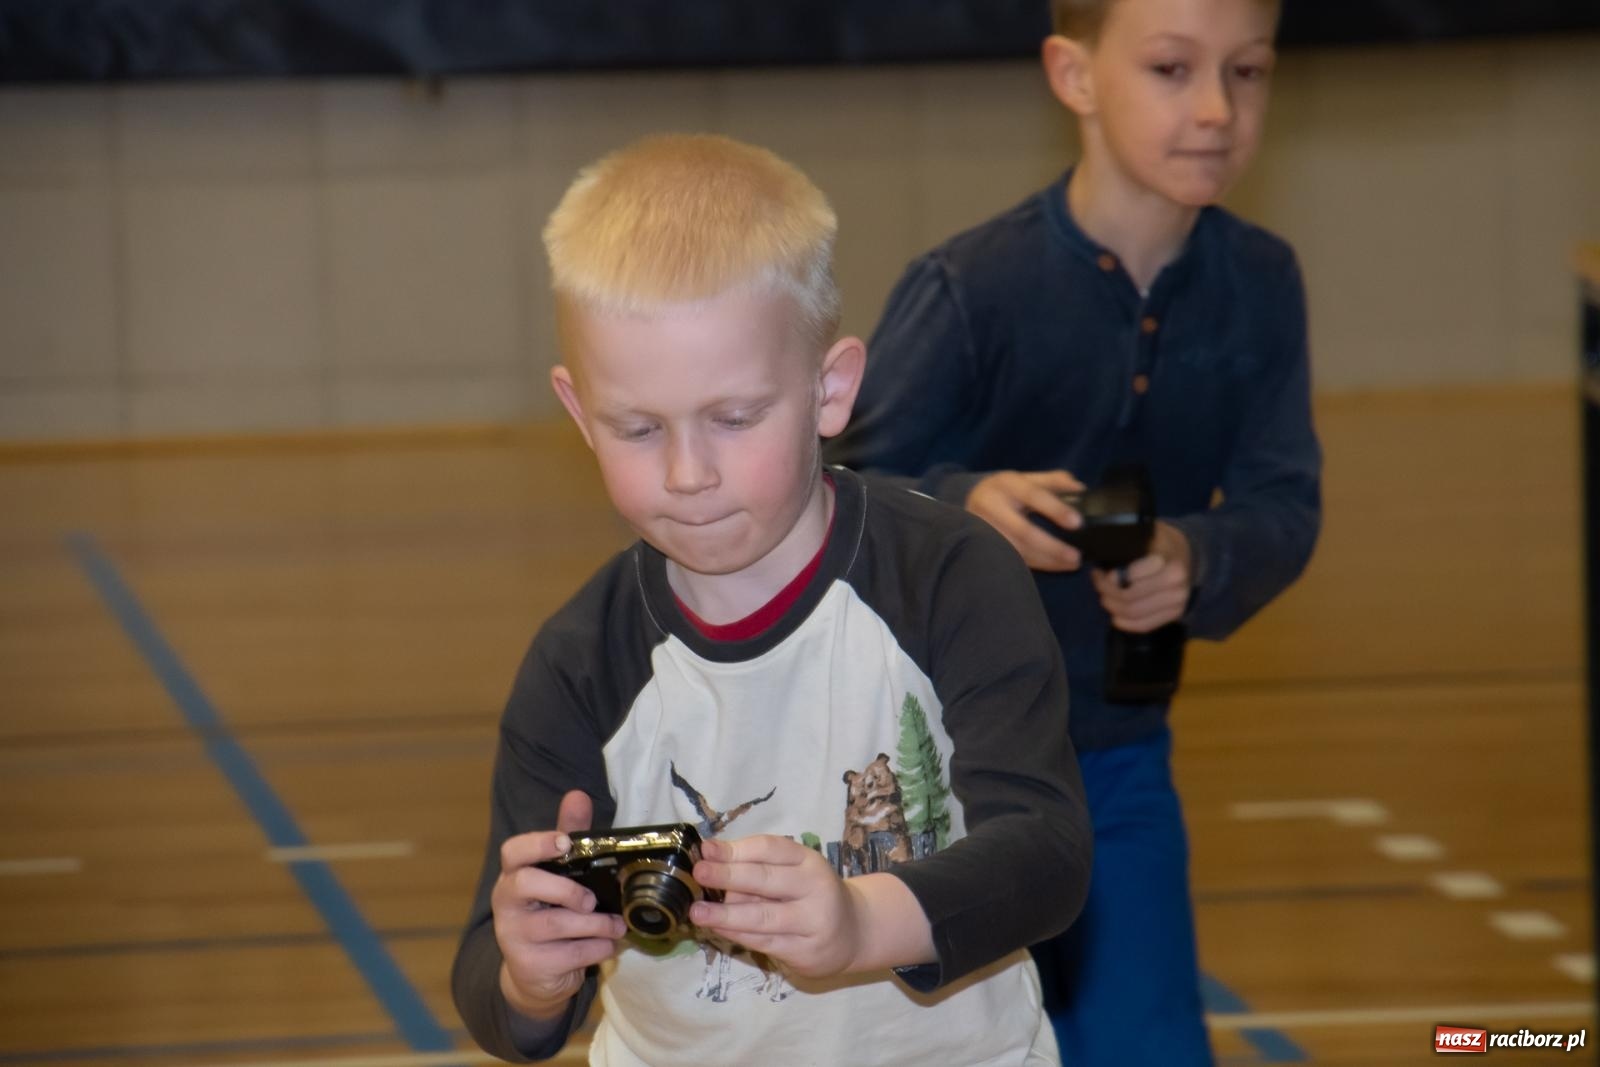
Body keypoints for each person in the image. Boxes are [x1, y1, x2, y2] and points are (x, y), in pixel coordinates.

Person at [451, 132, 1093, 1066]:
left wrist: (860, 924)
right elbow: (495, 991)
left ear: (830, 390)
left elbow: (1047, 855)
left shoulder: (950, 575)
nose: (687, 473)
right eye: (636, 428)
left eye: (734, 418)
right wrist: (531, 976)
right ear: (580, 413)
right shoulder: (579, 662)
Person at [825, 0, 1322, 1062]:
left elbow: (1285, 501)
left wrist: (1196, 556)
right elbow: (833, 491)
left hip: (1118, 757)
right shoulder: (972, 289)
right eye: (1170, 69)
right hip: (942, 778)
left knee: (1145, 1043)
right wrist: (962, 503)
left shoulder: (1262, 284)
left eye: (1248, 72)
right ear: (1073, 73)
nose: (1215, 109)